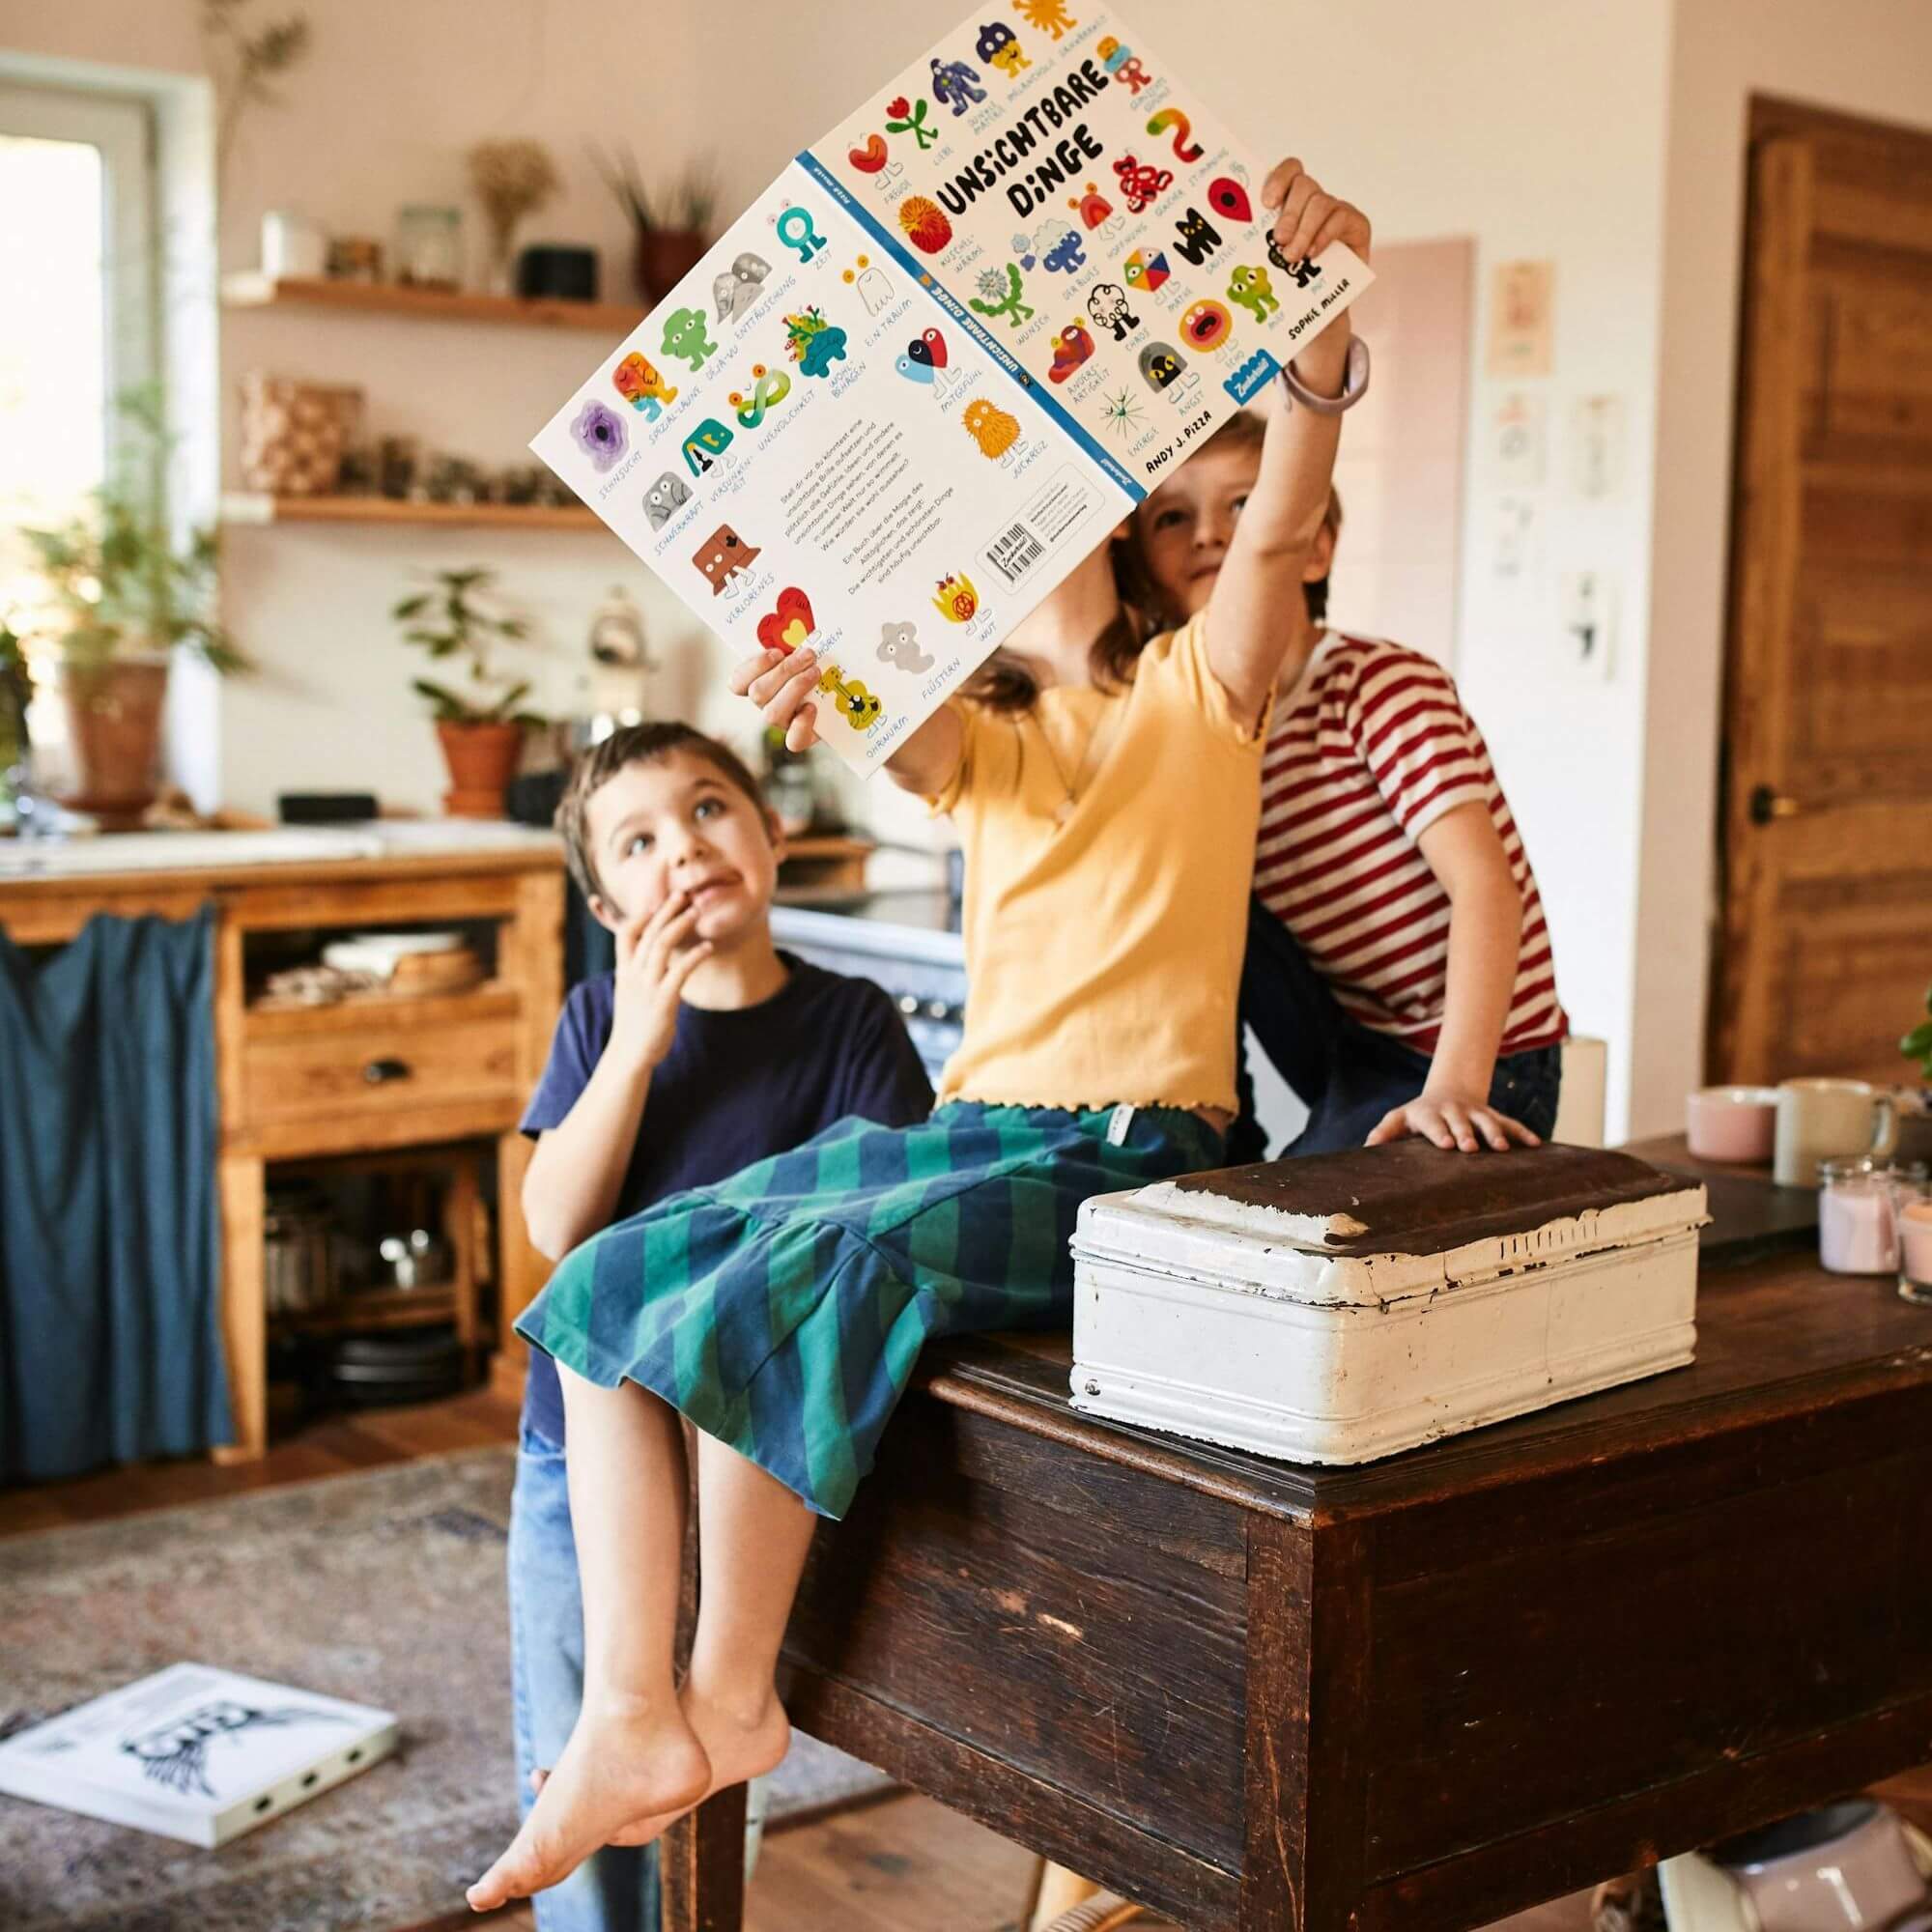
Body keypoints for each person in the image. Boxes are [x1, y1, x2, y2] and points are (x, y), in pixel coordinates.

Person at [468, 156, 1371, 1913]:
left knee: (806, 1281)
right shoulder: (985, 743)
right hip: (984, 1128)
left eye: (1026, 540)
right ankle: (635, 1714)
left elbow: (1273, 518)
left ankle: (728, 1698)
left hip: (1135, 1140)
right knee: (603, 1289)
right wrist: (795, 643)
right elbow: (855, 664)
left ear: (1104, 545)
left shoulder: (1208, 689)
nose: (988, 579)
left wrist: (1322, 324)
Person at [505, 721, 931, 1932]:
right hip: (573, 1471)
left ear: (772, 829)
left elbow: (877, 1226)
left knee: (702, 1781)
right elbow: (553, 1224)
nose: (682, 851)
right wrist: (640, 1041)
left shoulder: (851, 1023)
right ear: (605, 899)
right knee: (582, 1764)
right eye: (638, 840)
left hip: (742, 1476)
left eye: (707, 810)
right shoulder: (599, 1014)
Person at [1127, 417, 1568, 1157]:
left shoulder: (1378, 686)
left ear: (1315, 548)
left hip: (1484, 1053)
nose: (1208, 534)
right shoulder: (1194, 730)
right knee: (1205, 893)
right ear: (1142, 574)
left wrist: (1456, 1085)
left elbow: (1486, 886)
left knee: (1305, 1225)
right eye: (1172, 517)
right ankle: (1221, 1139)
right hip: (1353, 1041)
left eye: (1244, 504)